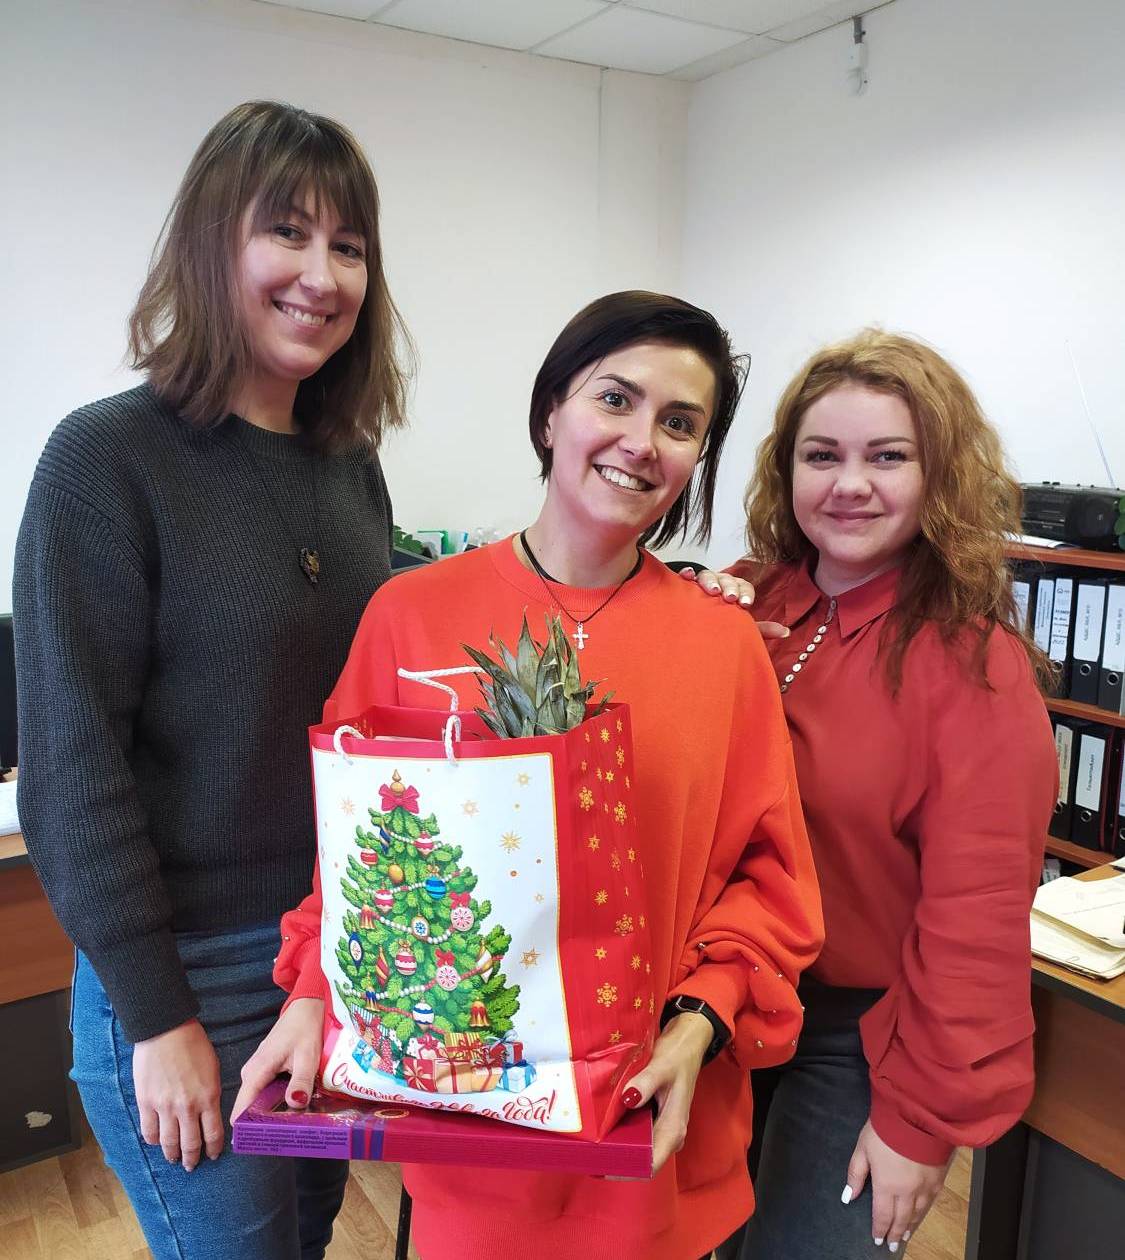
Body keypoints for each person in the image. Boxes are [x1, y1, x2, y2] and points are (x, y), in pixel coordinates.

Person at [237, 291, 825, 1260]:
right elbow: (351, 857)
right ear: (551, 412)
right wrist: (313, 994)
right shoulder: (409, 617)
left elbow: (770, 881)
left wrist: (696, 1025)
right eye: (615, 399)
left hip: (649, 1141)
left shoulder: (723, 646)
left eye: (680, 424)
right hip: (469, 1151)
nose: (642, 441)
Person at [14, 100, 412, 1260]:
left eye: (349, 246)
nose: (322, 276)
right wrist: (156, 1017)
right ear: (210, 244)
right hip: (191, 968)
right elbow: (71, 767)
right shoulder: (106, 460)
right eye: (287, 232)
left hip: (330, 956)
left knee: (307, 1239)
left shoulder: (350, 465)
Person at [711, 330, 1057, 1259]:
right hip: (719, 1009)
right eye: (821, 456)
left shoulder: (973, 666)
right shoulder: (744, 604)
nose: (848, 484)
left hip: (857, 1037)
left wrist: (919, 1124)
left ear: (938, 474)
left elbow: (976, 919)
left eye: (887, 457)